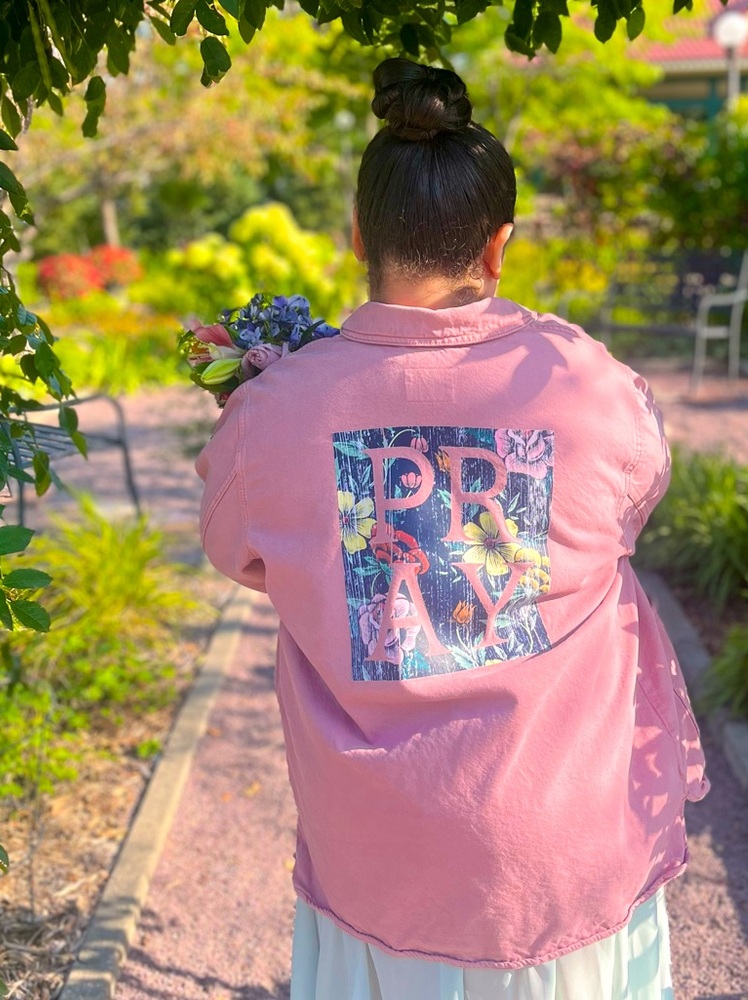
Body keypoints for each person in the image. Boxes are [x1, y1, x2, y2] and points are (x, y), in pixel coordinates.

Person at [197, 56, 708, 1000]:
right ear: (499, 246)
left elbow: (239, 550)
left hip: (379, 865)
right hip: (565, 858)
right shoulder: (587, 385)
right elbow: (632, 510)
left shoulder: (273, 415)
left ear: (358, 234)